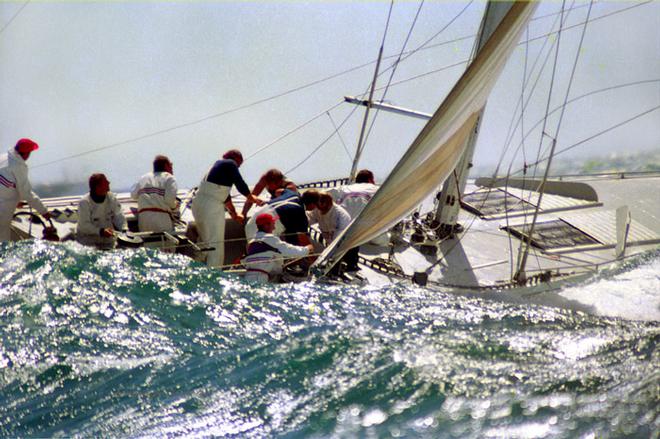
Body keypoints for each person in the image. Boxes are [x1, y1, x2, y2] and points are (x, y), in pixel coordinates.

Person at [192, 149, 264, 268]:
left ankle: (195, 268)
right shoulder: (230, 163)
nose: (238, 167)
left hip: (199, 204)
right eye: (239, 165)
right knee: (216, 245)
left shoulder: (215, 169)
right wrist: (252, 198)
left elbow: (225, 196)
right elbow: (239, 183)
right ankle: (213, 275)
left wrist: (234, 213)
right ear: (236, 159)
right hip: (212, 206)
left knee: (205, 242)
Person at [0, 138, 51, 241]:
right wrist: (43, 211)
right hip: (3, 208)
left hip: (4, 201)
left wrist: (16, 201)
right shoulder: (18, 166)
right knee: (2, 238)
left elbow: (6, 184)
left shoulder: (3, 158)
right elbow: (27, 193)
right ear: (26, 153)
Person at [242, 212, 313, 283]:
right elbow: (289, 250)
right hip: (260, 279)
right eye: (272, 222)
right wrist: (307, 249)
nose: (274, 225)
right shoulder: (269, 238)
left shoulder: (251, 241)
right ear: (266, 225)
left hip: (249, 277)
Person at [245, 188, 311, 247]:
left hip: (249, 224)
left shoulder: (292, 194)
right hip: (260, 235)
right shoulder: (300, 213)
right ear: (312, 204)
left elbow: (278, 191)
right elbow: (303, 239)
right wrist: (311, 253)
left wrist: (277, 199)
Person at [76, 173, 127, 249]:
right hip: (88, 243)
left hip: (108, 241)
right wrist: (101, 231)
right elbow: (84, 226)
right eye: (105, 181)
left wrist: (124, 230)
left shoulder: (111, 197)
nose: (109, 182)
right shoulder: (84, 202)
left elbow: (119, 215)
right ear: (98, 187)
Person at [131, 155, 178, 232]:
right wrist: (175, 205)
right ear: (166, 165)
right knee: (165, 243)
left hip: (144, 219)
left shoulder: (143, 178)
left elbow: (133, 195)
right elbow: (169, 200)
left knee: (148, 243)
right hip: (161, 219)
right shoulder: (169, 178)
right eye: (171, 166)